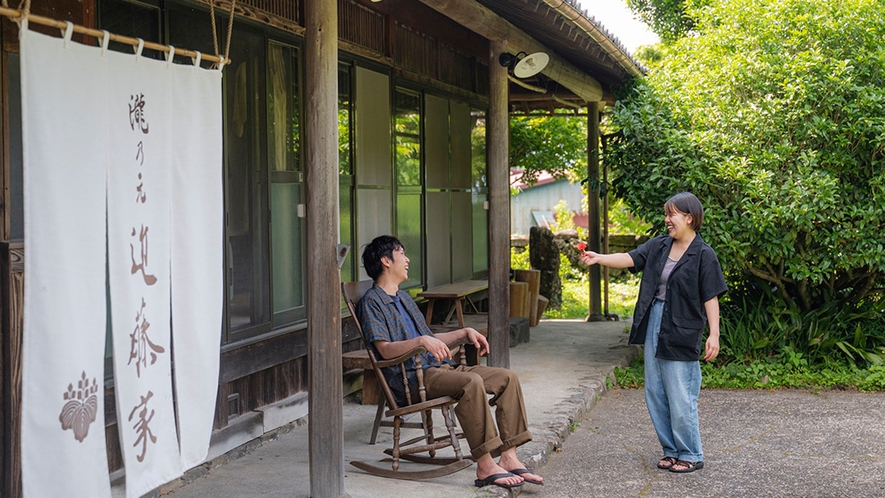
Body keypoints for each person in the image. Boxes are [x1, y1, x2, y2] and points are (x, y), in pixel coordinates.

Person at [357, 235, 543, 489]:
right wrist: (420, 342)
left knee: (506, 378)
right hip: (412, 378)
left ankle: (509, 456)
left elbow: (431, 339)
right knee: (471, 382)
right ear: (386, 260)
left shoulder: (403, 298)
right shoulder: (372, 302)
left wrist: (463, 332)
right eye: (402, 253)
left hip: (439, 369)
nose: (407, 258)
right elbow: (385, 350)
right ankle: (486, 464)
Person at [580, 192, 727, 473]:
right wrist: (598, 257)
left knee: (680, 393)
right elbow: (630, 258)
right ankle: (671, 450)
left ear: (689, 218)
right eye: (666, 214)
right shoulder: (660, 245)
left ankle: (691, 453)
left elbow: (711, 297)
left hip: (682, 327)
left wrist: (714, 334)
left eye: (672, 214)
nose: (667, 220)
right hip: (654, 320)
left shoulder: (704, 254)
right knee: (655, 391)